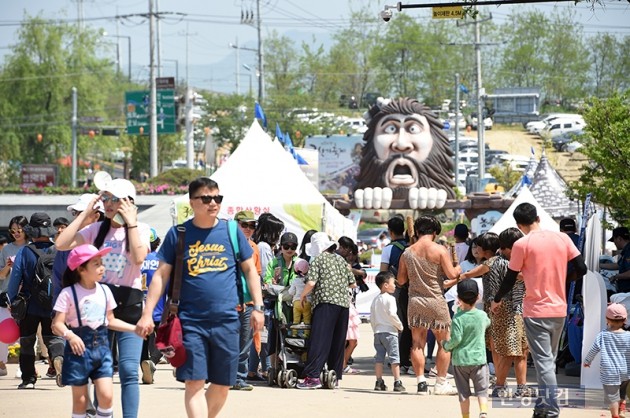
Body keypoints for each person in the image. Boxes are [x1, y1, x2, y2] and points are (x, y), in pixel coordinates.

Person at [136, 177, 264, 418]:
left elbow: (250, 270)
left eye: (217, 198)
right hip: (190, 321)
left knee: (223, 384)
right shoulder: (179, 233)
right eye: (206, 198)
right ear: (192, 202)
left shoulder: (231, 231)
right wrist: (146, 314)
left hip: (227, 320)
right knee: (194, 383)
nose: (213, 203)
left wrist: (257, 307)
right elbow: (161, 276)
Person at [56, 179, 150, 418]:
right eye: (105, 198)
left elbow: (138, 259)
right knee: (100, 371)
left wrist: (130, 224)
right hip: (99, 304)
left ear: (128, 202)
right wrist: (85, 215)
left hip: (130, 302)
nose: (108, 204)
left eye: (114, 199)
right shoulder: (97, 229)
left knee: (129, 370)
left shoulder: (141, 229)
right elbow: (61, 243)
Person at [491, 202, 587, 418]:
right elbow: (582, 268)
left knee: (544, 363)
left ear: (518, 224)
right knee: (548, 361)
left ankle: (550, 410)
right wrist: (563, 279)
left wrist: (497, 299)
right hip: (559, 310)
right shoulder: (562, 238)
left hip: (535, 310)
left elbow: (509, 278)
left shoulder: (522, 245)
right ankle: (542, 407)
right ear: (538, 217)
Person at [52, 244, 137, 418]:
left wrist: (135, 329)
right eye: (96, 264)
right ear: (81, 269)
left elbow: (110, 320)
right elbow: (56, 324)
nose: (102, 267)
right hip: (78, 351)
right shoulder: (68, 293)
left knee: (106, 396)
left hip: (102, 349)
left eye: (101, 263)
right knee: (81, 401)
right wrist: (71, 336)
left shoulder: (105, 290)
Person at [459, 229, 533, 399]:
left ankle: (506, 385)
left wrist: (456, 278)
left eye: (480, 247)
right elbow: (521, 276)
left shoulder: (498, 262)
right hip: (512, 308)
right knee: (514, 350)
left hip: (505, 309)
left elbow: (470, 274)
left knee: (506, 349)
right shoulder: (506, 262)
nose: (477, 251)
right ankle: (508, 385)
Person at [397, 215, 461, 396]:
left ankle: (421, 382)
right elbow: (450, 274)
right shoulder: (440, 250)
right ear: (435, 232)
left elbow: (401, 280)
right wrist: (458, 270)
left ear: (417, 231)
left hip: (415, 300)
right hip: (436, 300)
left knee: (417, 343)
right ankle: (440, 382)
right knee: (444, 342)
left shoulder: (407, 252)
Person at [7, 213, 65, 390]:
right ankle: (58, 359)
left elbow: (14, 280)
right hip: (53, 304)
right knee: (53, 338)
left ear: (31, 231)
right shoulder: (59, 251)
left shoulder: (25, 251)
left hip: (29, 305)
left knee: (27, 341)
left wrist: (12, 301)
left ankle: (29, 379)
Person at [297, 232, 356, 389]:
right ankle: (334, 376)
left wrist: (303, 295)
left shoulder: (318, 259)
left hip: (325, 303)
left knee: (320, 340)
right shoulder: (340, 260)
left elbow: (311, 282)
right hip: (343, 305)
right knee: (337, 342)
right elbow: (352, 283)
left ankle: (313, 377)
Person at [442, 280, 491, 418]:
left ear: (458, 298)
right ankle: (483, 411)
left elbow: (456, 339)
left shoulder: (457, 318)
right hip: (479, 360)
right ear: (477, 297)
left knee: (463, 392)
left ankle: (466, 416)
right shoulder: (482, 316)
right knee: (482, 390)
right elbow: (487, 323)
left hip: (461, 360)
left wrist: (446, 345)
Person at [248, 213, 284, 381]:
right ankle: (259, 369)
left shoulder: (262, 246)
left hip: (263, 296)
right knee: (262, 336)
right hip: (263, 297)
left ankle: (255, 369)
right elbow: (264, 276)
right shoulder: (263, 247)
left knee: (260, 335)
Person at [232, 210, 262, 391]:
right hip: (229, 301)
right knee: (227, 342)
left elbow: (256, 276)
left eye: (252, 226)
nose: (249, 229)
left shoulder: (254, 248)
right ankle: (224, 377)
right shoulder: (228, 245)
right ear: (236, 224)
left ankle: (239, 378)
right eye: (245, 225)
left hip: (249, 304)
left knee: (245, 343)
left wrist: (258, 304)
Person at [584, 303, 630, 418]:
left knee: (612, 396)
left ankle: (615, 415)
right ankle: (622, 408)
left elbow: (593, 349)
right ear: (625, 319)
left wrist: (587, 361)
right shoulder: (628, 335)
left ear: (607, 320)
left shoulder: (603, 335)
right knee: (622, 391)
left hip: (610, 372)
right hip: (626, 370)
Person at [379, 216, 411, 375]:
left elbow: (383, 272)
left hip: (395, 290)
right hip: (411, 289)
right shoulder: (411, 245)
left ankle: (396, 358)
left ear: (390, 232)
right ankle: (407, 359)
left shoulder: (389, 249)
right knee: (409, 325)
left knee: (396, 324)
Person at [0, 216, 29, 379]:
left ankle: (23, 366)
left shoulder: (31, 247)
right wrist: (7, 267)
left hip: (26, 296)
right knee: (2, 329)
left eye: (20, 230)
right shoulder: (6, 249)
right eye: (13, 231)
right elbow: (1, 276)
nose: (16, 233)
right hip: (6, 296)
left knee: (26, 332)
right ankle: (1, 363)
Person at [370, 271, 405, 392]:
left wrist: (375, 329)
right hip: (390, 332)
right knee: (394, 358)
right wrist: (399, 326)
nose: (395, 285)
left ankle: (379, 381)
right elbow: (392, 314)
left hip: (378, 332)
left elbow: (372, 317)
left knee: (379, 358)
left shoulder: (375, 300)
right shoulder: (390, 299)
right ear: (385, 285)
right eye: (393, 283)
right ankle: (397, 381)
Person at [139, 228, 163, 385]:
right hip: (160, 305)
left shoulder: (136, 259)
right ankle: (153, 360)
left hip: (140, 304)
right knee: (163, 339)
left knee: (143, 339)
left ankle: (145, 362)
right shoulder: (162, 260)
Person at [601, 227, 630, 293]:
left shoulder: (629, 251)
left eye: (614, 240)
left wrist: (616, 277)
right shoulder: (625, 251)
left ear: (619, 238)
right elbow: (618, 265)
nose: (614, 243)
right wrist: (599, 265)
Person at [288, 258, 311, 337]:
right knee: (307, 320)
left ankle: (294, 334)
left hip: (297, 302)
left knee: (296, 319)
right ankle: (306, 334)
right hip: (307, 302)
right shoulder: (309, 281)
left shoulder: (295, 280)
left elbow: (291, 292)